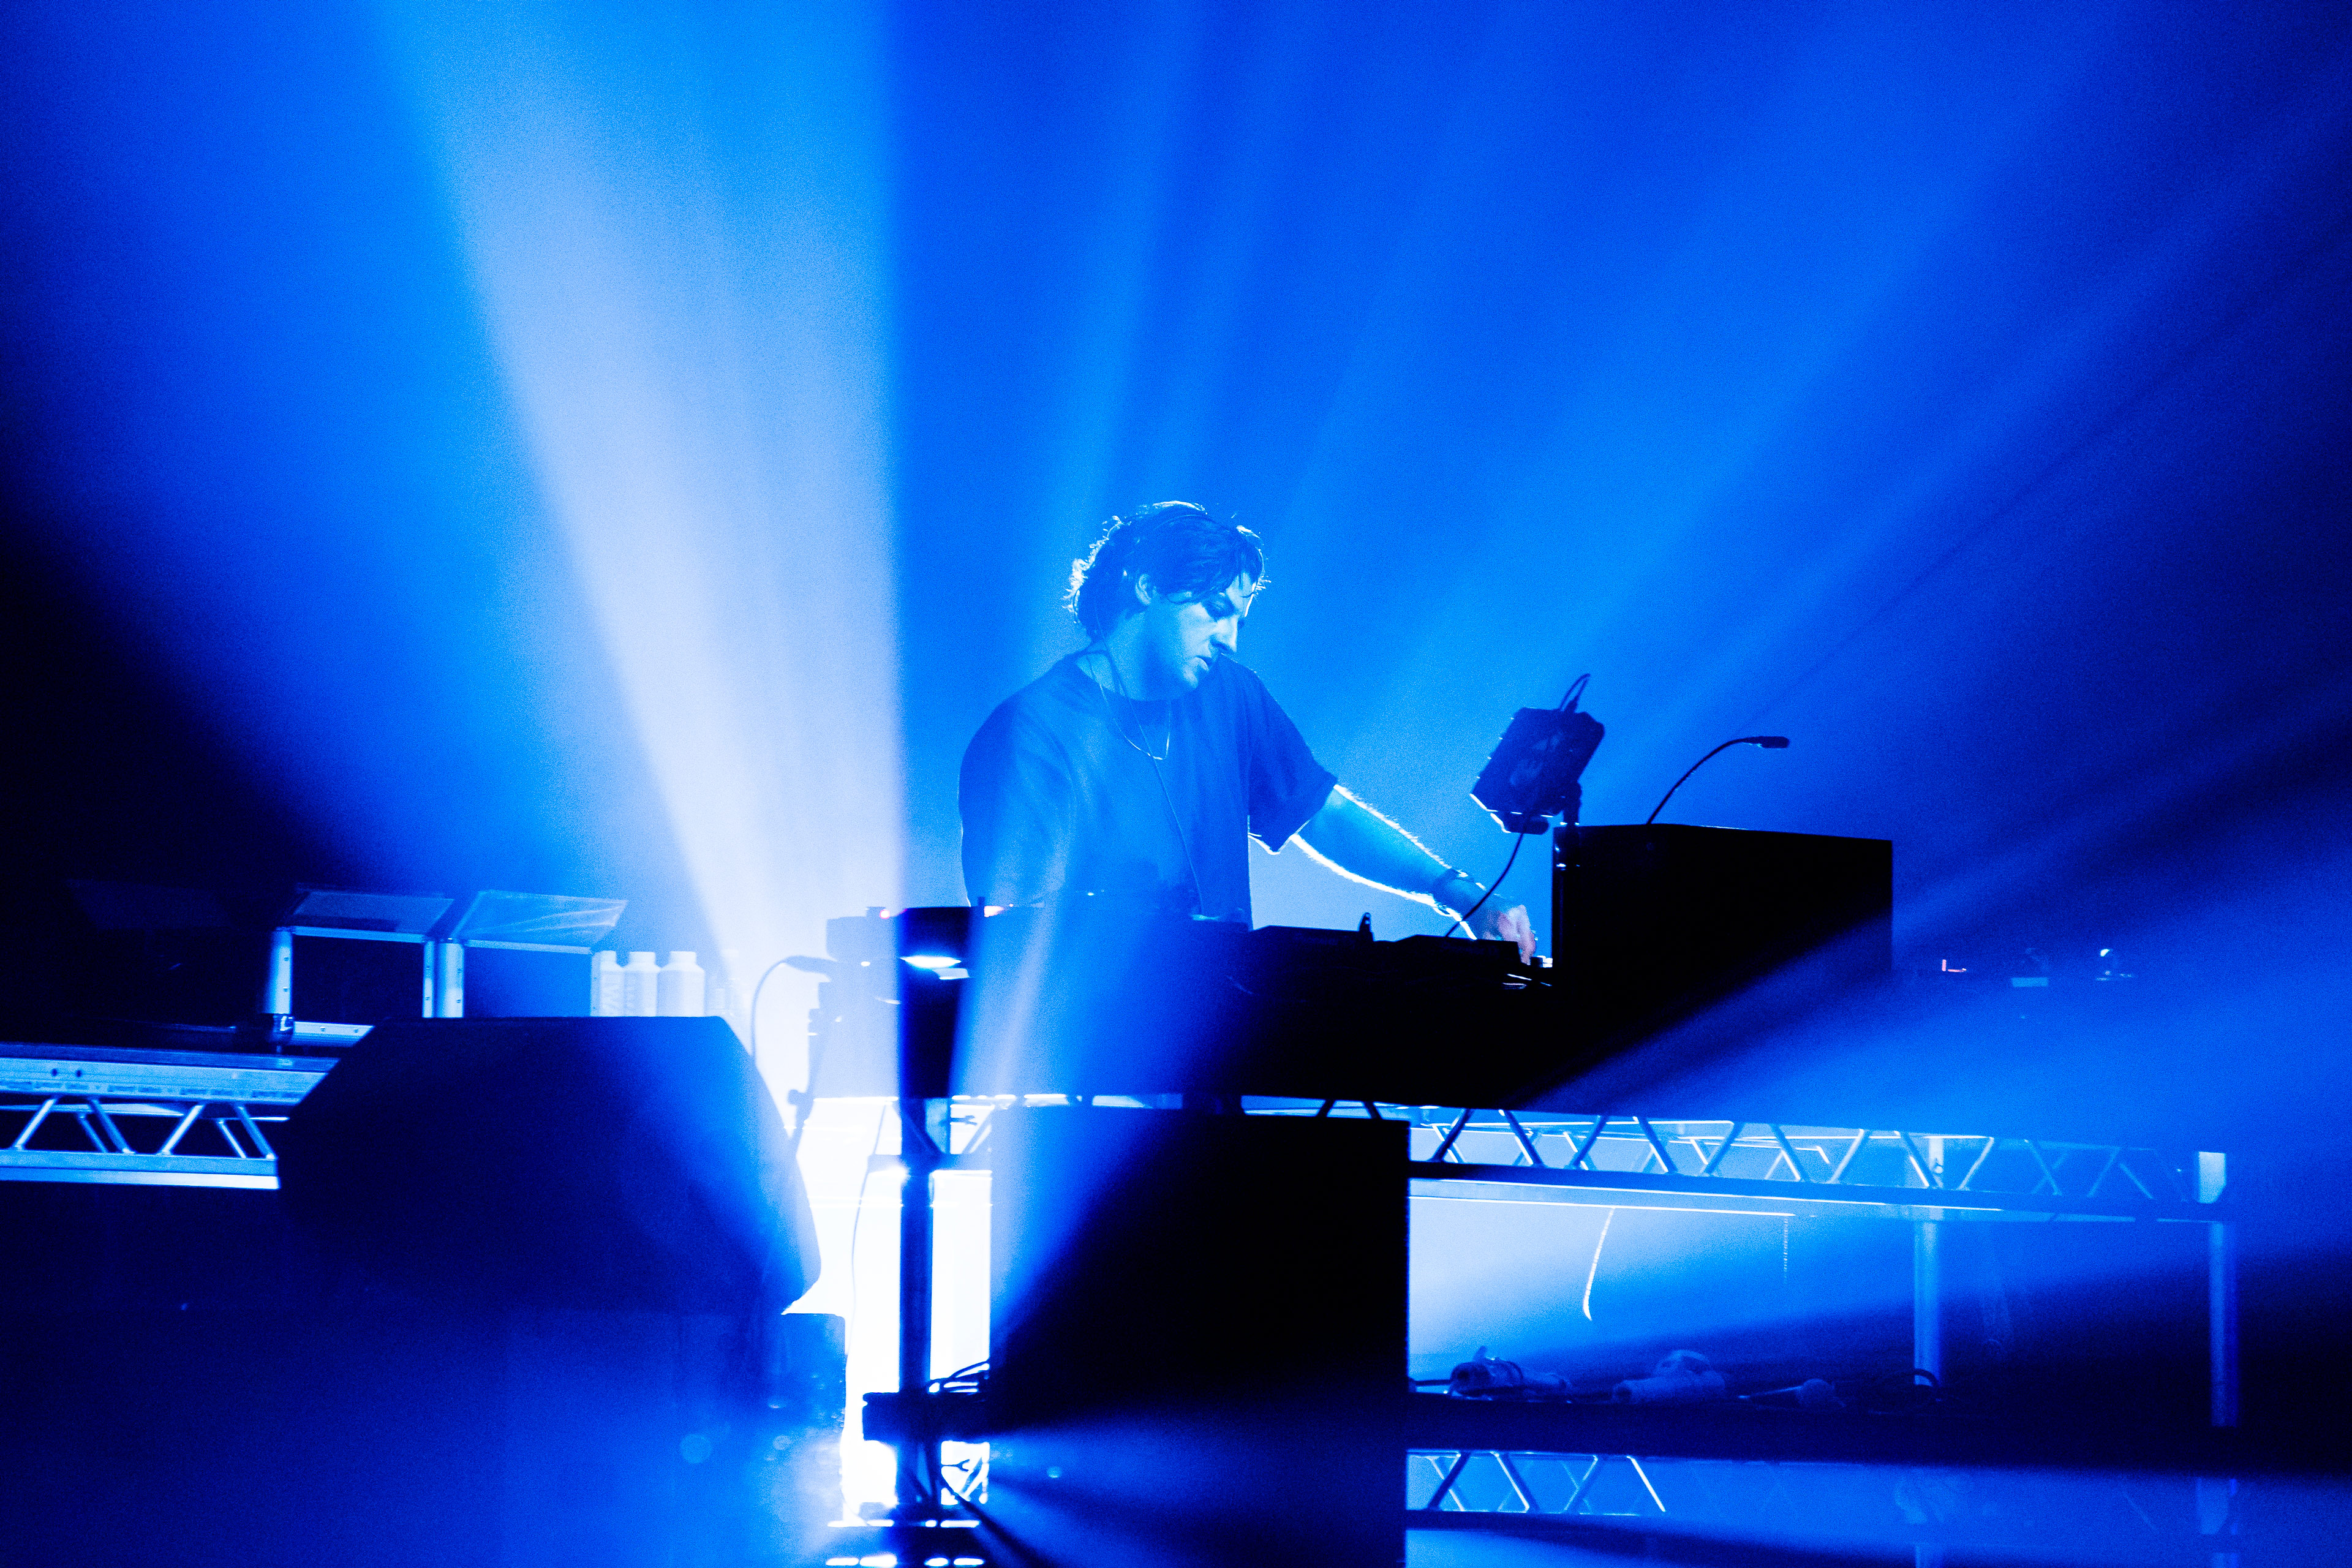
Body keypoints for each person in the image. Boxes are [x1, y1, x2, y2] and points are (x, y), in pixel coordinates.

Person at [959, 501, 1534, 956]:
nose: (1230, 639)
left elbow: (1325, 816)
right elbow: (1010, 922)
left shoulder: (1230, 695)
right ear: (1148, 588)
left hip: (1222, 1047)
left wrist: (1459, 895)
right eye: (1215, 611)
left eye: (1240, 617)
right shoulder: (1029, 734)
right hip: (1091, 1071)